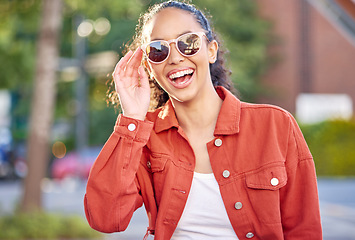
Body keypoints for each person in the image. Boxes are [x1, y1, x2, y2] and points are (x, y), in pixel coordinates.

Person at [84, 1, 323, 239]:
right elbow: (105, 218)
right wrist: (132, 119)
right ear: (149, 66)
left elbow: (304, 231)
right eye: (159, 49)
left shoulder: (276, 125)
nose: (175, 58)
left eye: (187, 43)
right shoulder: (145, 137)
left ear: (211, 50)